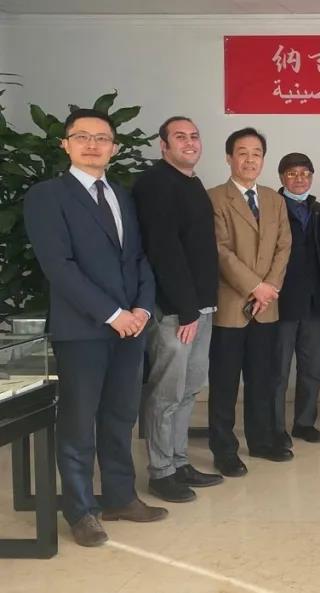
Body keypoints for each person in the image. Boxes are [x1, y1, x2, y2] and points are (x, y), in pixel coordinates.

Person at [24, 109, 165, 547]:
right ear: (65, 144)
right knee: (79, 422)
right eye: (82, 136)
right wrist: (112, 314)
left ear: (114, 148)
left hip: (130, 328)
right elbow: (59, 266)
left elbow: (138, 258)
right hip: (84, 329)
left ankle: (121, 497)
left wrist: (141, 309)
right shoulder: (48, 196)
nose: (92, 144)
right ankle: (81, 510)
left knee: (120, 416)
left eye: (101, 138)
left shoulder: (121, 195)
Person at [133, 116, 223, 504]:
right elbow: (163, 250)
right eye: (180, 137)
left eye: (194, 136)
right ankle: (161, 472)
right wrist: (186, 309)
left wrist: (200, 307)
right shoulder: (156, 184)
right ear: (163, 145)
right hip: (176, 310)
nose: (189, 142)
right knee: (166, 393)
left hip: (201, 307)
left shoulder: (190, 181)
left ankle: (180, 461)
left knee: (189, 390)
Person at [207, 127, 293, 477]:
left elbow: (284, 246)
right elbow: (219, 250)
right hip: (231, 305)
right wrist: (254, 286)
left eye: (256, 153)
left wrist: (270, 287)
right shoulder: (214, 198)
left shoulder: (274, 199)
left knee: (262, 378)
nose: (249, 160)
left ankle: (261, 440)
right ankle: (224, 449)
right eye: (242, 153)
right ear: (229, 158)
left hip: (266, 306)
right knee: (225, 382)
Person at [272, 152, 320, 446]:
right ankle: (275, 427)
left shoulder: (319, 210)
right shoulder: (271, 207)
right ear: (282, 177)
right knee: (278, 370)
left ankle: (304, 423)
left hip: (313, 302)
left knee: (311, 368)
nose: (299, 179)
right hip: (281, 301)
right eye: (293, 173)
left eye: (305, 174)